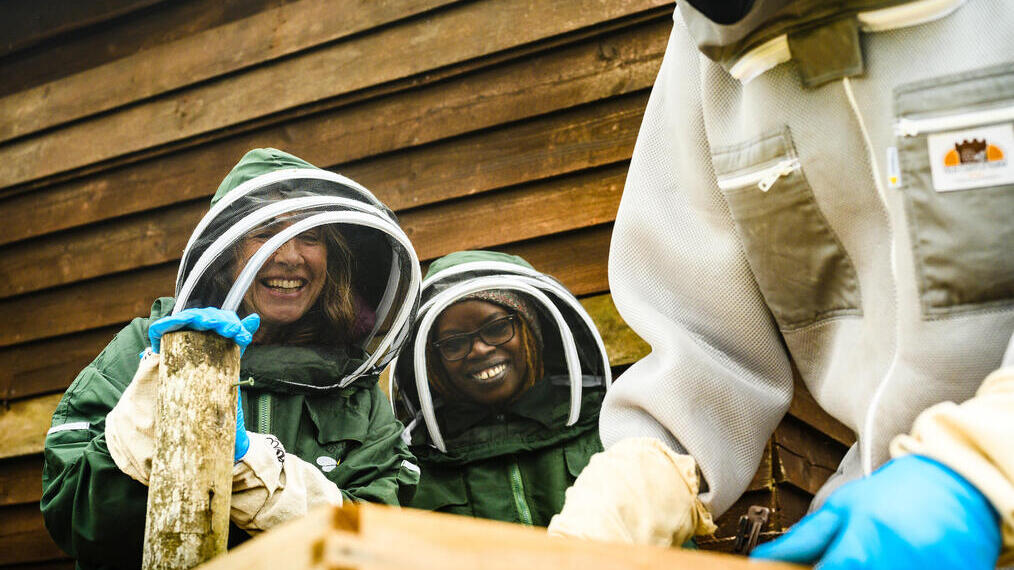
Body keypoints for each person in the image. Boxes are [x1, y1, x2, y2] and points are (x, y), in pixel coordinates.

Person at [548, 2, 1013, 567]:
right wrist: (632, 489)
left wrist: (982, 472)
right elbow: (703, 340)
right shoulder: (704, 48)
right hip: (863, 531)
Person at [41, 148, 423, 568]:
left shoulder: (355, 388)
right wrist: (143, 438)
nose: (290, 255)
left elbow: (377, 539)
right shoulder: (143, 347)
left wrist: (251, 468)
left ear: (332, 259)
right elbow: (73, 518)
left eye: (310, 237)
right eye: (265, 232)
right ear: (224, 251)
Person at [390, 251, 612, 526]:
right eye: (454, 343)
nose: (479, 349)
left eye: (496, 328)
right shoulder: (414, 466)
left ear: (529, 330)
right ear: (435, 364)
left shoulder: (608, 424)